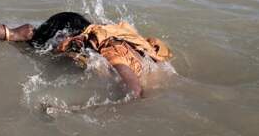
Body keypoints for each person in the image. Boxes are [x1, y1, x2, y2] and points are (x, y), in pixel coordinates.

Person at [30, 12, 172, 99]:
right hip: (161, 71)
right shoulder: (105, 30)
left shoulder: (109, 51)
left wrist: (72, 111)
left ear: (74, 38)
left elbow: (136, 93)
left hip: (158, 87)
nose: (55, 46)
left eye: (57, 41)